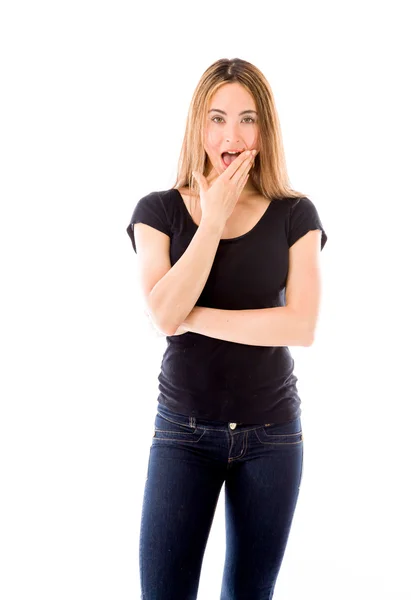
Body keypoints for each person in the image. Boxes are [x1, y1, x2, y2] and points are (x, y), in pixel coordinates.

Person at [126, 57, 328, 600]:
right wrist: (211, 219)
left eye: (247, 118)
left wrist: (190, 317)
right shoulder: (159, 211)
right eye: (217, 119)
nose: (232, 135)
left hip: (272, 436)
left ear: (265, 129)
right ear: (199, 126)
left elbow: (301, 325)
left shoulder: (295, 214)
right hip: (182, 433)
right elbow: (163, 312)